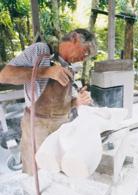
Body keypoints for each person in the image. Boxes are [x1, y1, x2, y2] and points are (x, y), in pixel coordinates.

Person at [0, 28, 97, 175]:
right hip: (37, 125)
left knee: (58, 173)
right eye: (86, 52)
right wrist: (46, 72)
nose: (84, 58)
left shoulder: (70, 68)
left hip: (61, 126)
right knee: (37, 174)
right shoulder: (41, 51)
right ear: (75, 38)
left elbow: (64, 103)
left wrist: (77, 101)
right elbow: (4, 76)